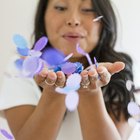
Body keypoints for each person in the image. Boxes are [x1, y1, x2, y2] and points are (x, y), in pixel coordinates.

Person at [0, 0, 135, 140]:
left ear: (105, 20)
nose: (73, 20)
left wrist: (89, 92)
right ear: (43, 16)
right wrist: (53, 91)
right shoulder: (23, 66)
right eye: (60, 7)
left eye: (88, 10)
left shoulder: (120, 71)